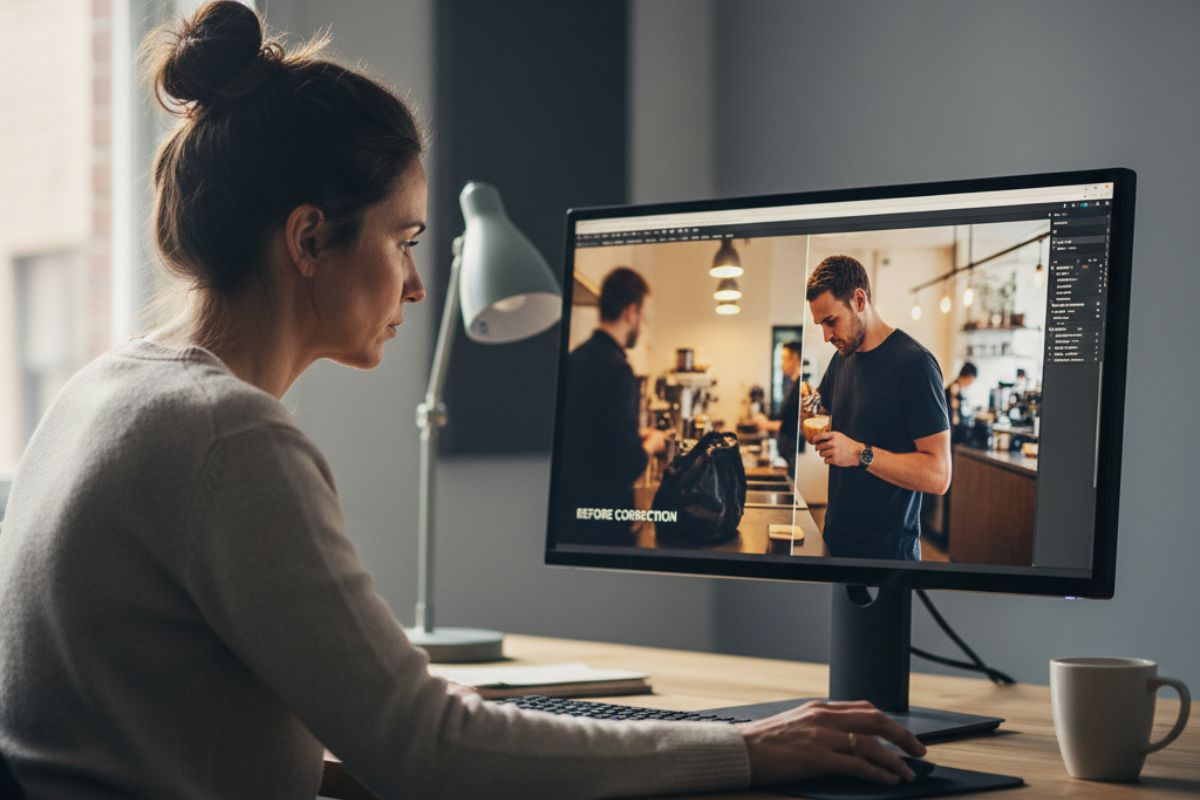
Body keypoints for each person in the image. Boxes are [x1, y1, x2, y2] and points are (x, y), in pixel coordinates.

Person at [0, 4, 924, 797]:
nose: (414, 285)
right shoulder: (227, 438)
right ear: (309, 237)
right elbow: (428, 750)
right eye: (403, 240)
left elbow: (167, 733)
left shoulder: (105, 391)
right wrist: (745, 747)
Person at [804, 255, 951, 561]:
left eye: (831, 321)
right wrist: (807, 409)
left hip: (887, 556)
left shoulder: (915, 365)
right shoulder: (842, 358)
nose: (826, 336)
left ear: (859, 300)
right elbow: (822, 417)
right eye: (820, 325)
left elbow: (939, 475)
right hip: (836, 541)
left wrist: (859, 453)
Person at [557, 267, 667, 546]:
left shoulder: (575, 359)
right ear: (631, 312)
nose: (641, 325)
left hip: (568, 518)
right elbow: (625, 465)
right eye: (642, 316)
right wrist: (652, 443)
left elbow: (590, 436)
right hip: (603, 525)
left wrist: (635, 434)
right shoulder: (619, 371)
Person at [753, 341, 805, 475]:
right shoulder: (791, 384)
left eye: (783, 358)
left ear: (794, 358)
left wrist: (766, 424)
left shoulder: (800, 386)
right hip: (786, 450)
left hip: (792, 449)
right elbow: (784, 415)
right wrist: (767, 420)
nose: (781, 363)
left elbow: (791, 424)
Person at [945, 362, 978, 444]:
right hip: (951, 431)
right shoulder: (955, 388)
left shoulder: (957, 387)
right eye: (972, 380)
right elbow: (954, 413)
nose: (971, 383)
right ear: (969, 376)